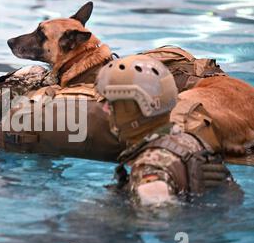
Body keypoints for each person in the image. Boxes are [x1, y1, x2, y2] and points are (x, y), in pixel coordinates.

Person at [95, 55, 235, 205]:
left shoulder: (150, 168)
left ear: (139, 107)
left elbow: (158, 222)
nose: (105, 109)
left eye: (111, 104)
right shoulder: (190, 140)